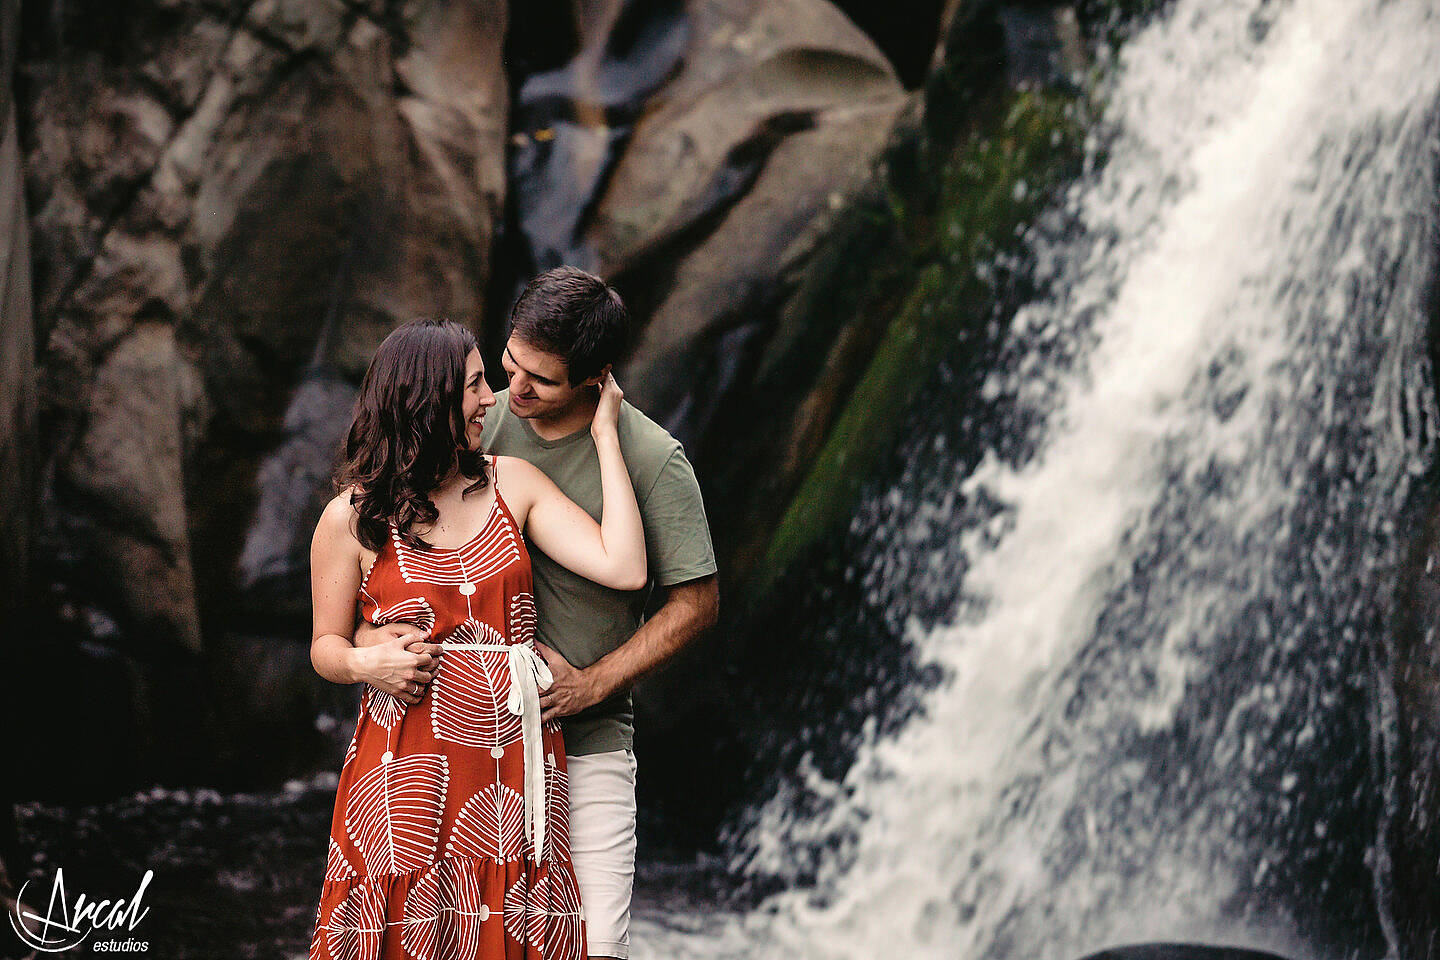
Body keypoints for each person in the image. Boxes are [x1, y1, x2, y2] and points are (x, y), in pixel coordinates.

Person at [355, 267, 720, 960]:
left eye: (539, 381)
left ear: (594, 377)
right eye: (508, 364)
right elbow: (376, 548)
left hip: (583, 739)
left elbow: (696, 603)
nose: (510, 392)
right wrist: (373, 640)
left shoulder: (652, 459)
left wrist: (594, 683)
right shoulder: (476, 422)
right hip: (461, 744)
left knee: (596, 945)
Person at [307, 317, 647, 960]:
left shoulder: (510, 481)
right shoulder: (349, 519)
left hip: (509, 778)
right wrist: (365, 662)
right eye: (473, 385)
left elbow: (625, 566)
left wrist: (606, 436)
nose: (491, 398)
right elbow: (325, 646)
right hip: (402, 771)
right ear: (428, 402)